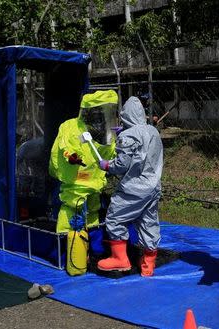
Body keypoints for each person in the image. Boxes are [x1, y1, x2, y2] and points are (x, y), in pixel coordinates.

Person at [97, 96, 163, 277]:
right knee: (148, 222)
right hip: (153, 187)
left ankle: (120, 260)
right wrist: (125, 133)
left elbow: (122, 165)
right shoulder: (152, 131)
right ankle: (148, 265)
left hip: (134, 188)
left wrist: (107, 165)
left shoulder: (128, 136)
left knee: (115, 218)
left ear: (125, 116)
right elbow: (141, 148)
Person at [49, 90, 118, 233]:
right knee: (73, 206)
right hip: (76, 178)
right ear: (88, 112)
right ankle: (66, 242)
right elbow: (66, 146)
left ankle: (93, 243)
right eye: (96, 112)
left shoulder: (105, 131)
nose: (99, 117)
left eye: (103, 112)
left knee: (93, 209)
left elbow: (109, 150)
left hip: (94, 179)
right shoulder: (71, 126)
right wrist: (72, 156)